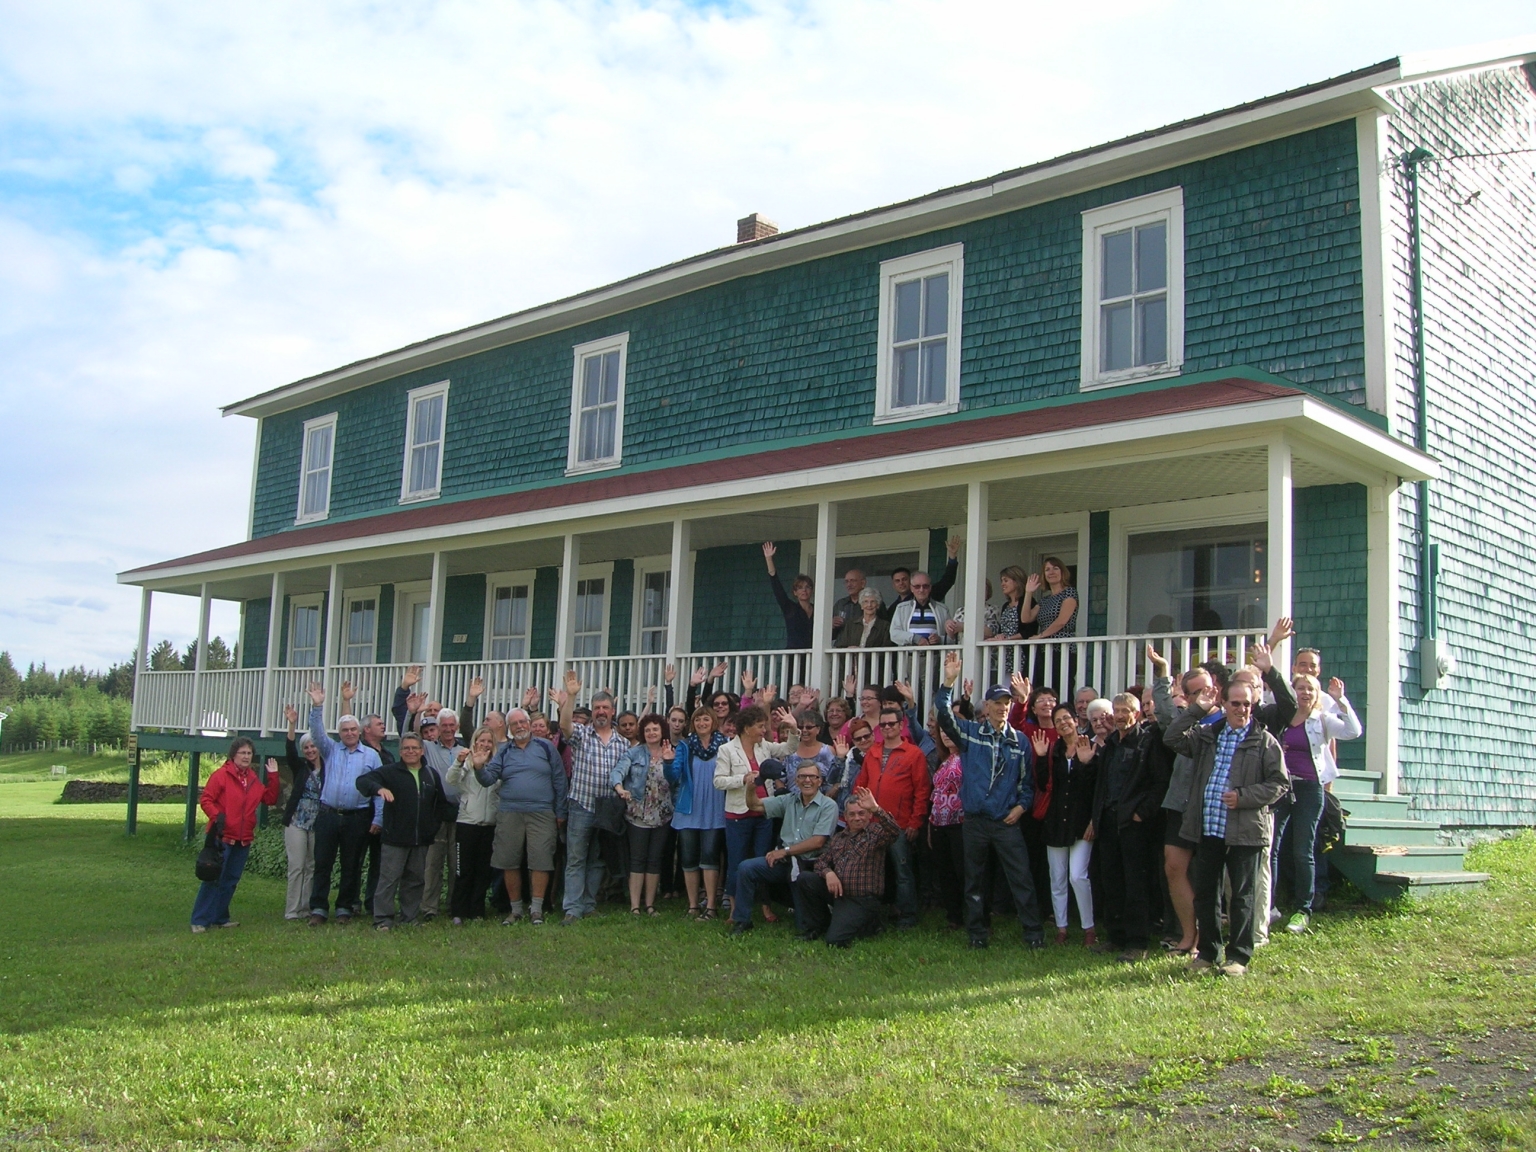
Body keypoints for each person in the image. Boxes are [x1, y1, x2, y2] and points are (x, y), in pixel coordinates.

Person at [1166, 681, 1290, 976]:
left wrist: (1244, 797)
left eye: (1246, 704)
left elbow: (1280, 783)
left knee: (1243, 896)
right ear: (1224, 703)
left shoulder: (1264, 741)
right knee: (1207, 894)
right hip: (1209, 827)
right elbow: (1172, 737)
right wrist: (1197, 709)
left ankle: (1238, 957)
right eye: (1235, 703)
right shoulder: (1209, 735)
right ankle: (1208, 954)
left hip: (1245, 831)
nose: (1241, 709)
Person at [934, 652, 1047, 950]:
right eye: (997, 703)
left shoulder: (1020, 741)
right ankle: (977, 934)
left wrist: (1021, 808)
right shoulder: (970, 734)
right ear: (986, 706)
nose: (1002, 708)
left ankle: (1033, 933)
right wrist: (948, 682)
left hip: (1006, 821)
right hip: (974, 821)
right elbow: (944, 716)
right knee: (974, 880)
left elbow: (1027, 784)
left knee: (1021, 876)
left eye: (1006, 703)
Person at [1273, 673, 1360, 934]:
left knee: (1303, 849)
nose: (1305, 693)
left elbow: (1353, 731)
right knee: (1273, 846)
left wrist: (1341, 701)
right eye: (1300, 688)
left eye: (1310, 689)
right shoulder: (1283, 718)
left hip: (1310, 788)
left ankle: (1303, 909)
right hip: (1282, 787)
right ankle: (1270, 906)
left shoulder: (1321, 720)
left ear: (1317, 693)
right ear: (1293, 691)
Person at [477, 705, 569, 925]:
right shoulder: (504, 751)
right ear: (509, 728)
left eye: (523, 722)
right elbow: (488, 779)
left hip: (542, 812)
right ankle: (515, 909)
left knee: (541, 860)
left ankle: (536, 909)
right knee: (509, 861)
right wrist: (479, 767)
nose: (520, 726)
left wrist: (560, 811)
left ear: (529, 723)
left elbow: (559, 780)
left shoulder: (546, 747)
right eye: (515, 723)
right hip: (510, 812)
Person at [355, 734, 458, 929]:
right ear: (400, 752)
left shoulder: (431, 774)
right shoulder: (390, 772)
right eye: (406, 748)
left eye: (414, 748)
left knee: (416, 880)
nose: (410, 751)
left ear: (422, 751)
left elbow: (442, 806)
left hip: (421, 839)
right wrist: (378, 789)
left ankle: (409, 918)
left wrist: (461, 814)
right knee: (388, 880)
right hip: (395, 838)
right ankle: (383, 919)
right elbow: (362, 781)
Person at [554, 671, 629, 924]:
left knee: (597, 859)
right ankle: (572, 908)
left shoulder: (622, 742)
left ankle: (588, 904)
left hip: (607, 810)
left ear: (612, 710)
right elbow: (564, 725)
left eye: (605, 707)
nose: (600, 711)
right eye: (597, 707)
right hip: (581, 805)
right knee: (576, 858)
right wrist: (571, 697)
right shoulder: (582, 734)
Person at [305, 682, 383, 926]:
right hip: (329, 815)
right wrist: (317, 706)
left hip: (357, 817)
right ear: (339, 733)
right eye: (345, 730)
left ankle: (344, 908)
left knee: (351, 865)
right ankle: (318, 908)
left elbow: (379, 791)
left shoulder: (371, 756)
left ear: (359, 732)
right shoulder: (330, 750)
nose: (349, 733)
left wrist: (378, 818)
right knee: (323, 863)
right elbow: (316, 733)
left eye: (353, 729)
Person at [731, 759, 839, 935]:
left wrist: (784, 851)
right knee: (746, 868)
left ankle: (812, 917)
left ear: (820, 781)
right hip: (784, 862)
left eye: (812, 776)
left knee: (804, 927)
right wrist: (751, 787)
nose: (807, 780)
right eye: (802, 776)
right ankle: (742, 920)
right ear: (796, 780)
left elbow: (818, 841)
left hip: (810, 867)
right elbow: (754, 805)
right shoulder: (789, 800)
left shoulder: (828, 806)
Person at [190, 738, 281, 932]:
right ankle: (199, 919)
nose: (246, 757)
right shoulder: (221, 775)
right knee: (213, 878)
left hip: (243, 839)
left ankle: (220, 917)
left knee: (230, 880)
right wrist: (217, 817)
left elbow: (270, 798)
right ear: (233, 755)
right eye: (243, 753)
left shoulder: (253, 780)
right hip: (222, 838)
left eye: (249, 753)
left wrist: (273, 776)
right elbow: (206, 799)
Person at [1152, 651, 1210, 956]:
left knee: (1205, 874)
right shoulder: (1184, 722)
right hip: (1179, 804)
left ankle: (1208, 938)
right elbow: (1163, 714)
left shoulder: (1225, 721)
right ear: (1186, 697)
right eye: (1197, 692)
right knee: (1174, 868)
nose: (1205, 696)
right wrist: (1162, 674)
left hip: (1212, 808)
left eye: (1208, 689)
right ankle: (1188, 937)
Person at [715, 702, 797, 912]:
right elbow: (719, 781)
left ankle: (764, 905)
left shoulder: (765, 746)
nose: (764, 730)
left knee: (763, 859)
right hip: (738, 813)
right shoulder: (727, 750)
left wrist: (794, 728)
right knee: (737, 861)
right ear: (746, 728)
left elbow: (790, 748)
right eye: (760, 726)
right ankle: (735, 908)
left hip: (763, 810)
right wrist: (743, 779)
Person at [855, 705, 932, 929]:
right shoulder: (873, 752)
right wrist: (859, 812)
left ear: (901, 726)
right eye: (883, 724)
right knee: (870, 871)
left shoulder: (914, 754)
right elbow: (861, 783)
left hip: (898, 824)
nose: (887, 728)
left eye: (891, 724)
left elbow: (921, 791)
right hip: (871, 823)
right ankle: (871, 913)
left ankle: (907, 915)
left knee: (903, 871)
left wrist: (915, 822)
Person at [794, 786, 901, 946]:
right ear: (845, 817)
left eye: (861, 813)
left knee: (835, 941)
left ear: (869, 815)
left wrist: (876, 808)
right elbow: (821, 862)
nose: (857, 818)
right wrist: (829, 873)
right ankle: (817, 926)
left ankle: (871, 923)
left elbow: (894, 831)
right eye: (852, 814)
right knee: (806, 879)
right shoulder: (838, 838)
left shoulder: (876, 833)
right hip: (840, 894)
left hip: (862, 899)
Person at [1032, 705, 1098, 948]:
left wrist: (1086, 763)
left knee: (1078, 876)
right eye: (1058, 720)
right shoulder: (1055, 751)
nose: (1063, 723)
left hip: (1081, 822)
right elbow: (1043, 784)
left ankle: (1089, 928)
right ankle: (1061, 928)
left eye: (1066, 718)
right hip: (1056, 821)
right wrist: (1040, 757)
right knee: (1057, 878)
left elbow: (1095, 788)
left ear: (1076, 720)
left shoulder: (1089, 746)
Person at [612, 714, 676, 915]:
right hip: (638, 813)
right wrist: (620, 788)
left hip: (663, 814)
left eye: (655, 729)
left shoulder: (671, 752)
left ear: (662, 731)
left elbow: (675, 781)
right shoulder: (634, 753)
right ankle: (635, 906)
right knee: (637, 859)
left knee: (654, 860)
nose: (651, 733)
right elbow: (617, 772)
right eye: (647, 730)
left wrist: (669, 762)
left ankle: (650, 904)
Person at [668, 706, 729, 919]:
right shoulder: (685, 745)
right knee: (688, 858)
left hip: (715, 808)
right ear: (692, 724)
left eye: (706, 719)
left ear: (713, 721)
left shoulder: (725, 745)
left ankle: (711, 906)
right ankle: (693, 905)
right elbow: (674, 775)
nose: (702, 723)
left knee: (711, 856)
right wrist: (668, 762)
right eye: (697, 720)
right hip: (689, 809)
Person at [446, 725, 500, 924]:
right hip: (467, 822)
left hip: (489, 824)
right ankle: (458, 911)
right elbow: (451, 780)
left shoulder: (496, 764)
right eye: (482, 740)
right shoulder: (466, 762)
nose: (485, 745)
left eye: (489, 741)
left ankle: (477, 910)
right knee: (463, 869)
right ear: (475, 741)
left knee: (483, 871)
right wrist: (459, 762)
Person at [417, 707, 466, 922]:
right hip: (436, 812)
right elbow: (408, 735)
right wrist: (415, 713)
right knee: (432, 863)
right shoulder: (427, 748)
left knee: (456, 863)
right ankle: (429, 907)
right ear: (437, 728)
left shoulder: (464, 750)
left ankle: (454, 904)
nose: (447, 729)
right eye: (443, 725)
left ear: (457, 727)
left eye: (451, 725)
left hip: (459, 813)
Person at [281, 705, 323, 921]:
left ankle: (306, 907)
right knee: (297, 866)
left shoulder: (328, 767)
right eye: (306, 747)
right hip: (297, 822)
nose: (310, 750)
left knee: (311, 866)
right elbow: (289, 751)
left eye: (313, 746)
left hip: (317, 823)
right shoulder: (300, 768)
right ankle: (292, 909)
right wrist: (292, 724)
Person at [927, 725, 966, 930]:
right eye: (942, 732)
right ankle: (954, 916)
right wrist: (930, 826)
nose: (946, 735)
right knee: (946, 872)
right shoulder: (943, 760)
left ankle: (977, 916)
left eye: (949, 731)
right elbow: (935, 795)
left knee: (963, 871)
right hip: (938, 823)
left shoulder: (968, 758)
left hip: (960, 822)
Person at [762, 542, 814, 650]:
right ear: (795, 592)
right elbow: (777, 588)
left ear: (812, 590)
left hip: (812, 657)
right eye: (800, 588)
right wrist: (769, 559)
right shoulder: (790, 608)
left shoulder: (817, 611)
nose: (804, 590)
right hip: (793, 658)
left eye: (807, 587)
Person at [890, 572, 953, 646]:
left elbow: (952, 638)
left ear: (930, 588)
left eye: (925, 586)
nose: (921, 590)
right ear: (911, 588)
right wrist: (915, 638)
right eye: (917, 586)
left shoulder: (942, 609)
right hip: (909, 656)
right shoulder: (901, 608)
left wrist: (940, 639)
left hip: (934, 656)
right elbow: (894, 634)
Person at [831, 568, 878, 641]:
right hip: (842, 649)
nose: (849, 585)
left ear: (863, 583)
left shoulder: (873, 603)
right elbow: (832, 636)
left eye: (853, 581)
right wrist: (832, 625)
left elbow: (881, 629)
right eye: (846, 581)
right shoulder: (840, 604)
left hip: (865, 648)